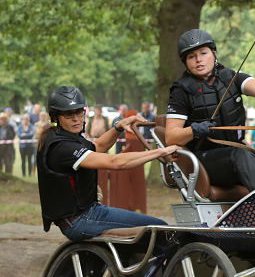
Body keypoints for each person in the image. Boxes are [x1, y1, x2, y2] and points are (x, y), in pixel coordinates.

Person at [164, 29, 255, 192]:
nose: (198, 60)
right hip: (204, 161)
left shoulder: (230, 77)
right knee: (241, 156)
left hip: (239, 153)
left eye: (203, 53)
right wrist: (194, 129)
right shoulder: (181, 91)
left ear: (214, 53)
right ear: (186, 63)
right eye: (191, 56)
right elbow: (171, 137)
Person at [37, 86, 178, 240]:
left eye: (79, 112)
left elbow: (97, 147)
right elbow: (115, 162)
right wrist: (161, 151)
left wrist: (118, 127)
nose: (76, 118)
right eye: (68, 114)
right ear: (56, 117)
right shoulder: (62, 147)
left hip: (87, 213)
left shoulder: (63, 138)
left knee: (158, 227)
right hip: (81, 220)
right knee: (161, 229)